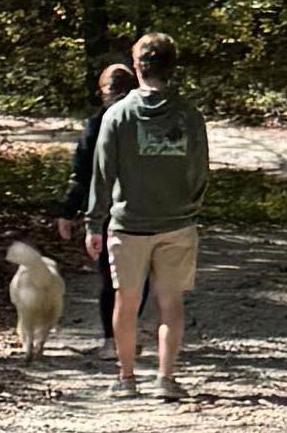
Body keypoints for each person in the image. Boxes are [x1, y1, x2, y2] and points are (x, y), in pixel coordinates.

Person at [86, 31, 210, 399]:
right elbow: (200, 170)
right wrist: (190, 205)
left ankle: (126, 379)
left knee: (126, 303)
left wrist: (94, 222)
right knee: (170, 303)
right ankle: (166, 379)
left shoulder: (117, 115)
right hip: (177, 224)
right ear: (172, 67)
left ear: (137, 67)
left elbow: (102, 173)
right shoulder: (189, 115)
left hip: (129, 225)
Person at [61, 56, 131, 337]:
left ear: (103, 91)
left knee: (110, 276)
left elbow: (81, 174)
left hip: (104, 209)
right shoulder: (142, 122)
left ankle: (112, 338)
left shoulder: (95, 125)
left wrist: (68, 211)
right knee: (136, 279)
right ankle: (124, 332)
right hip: (138, 207)